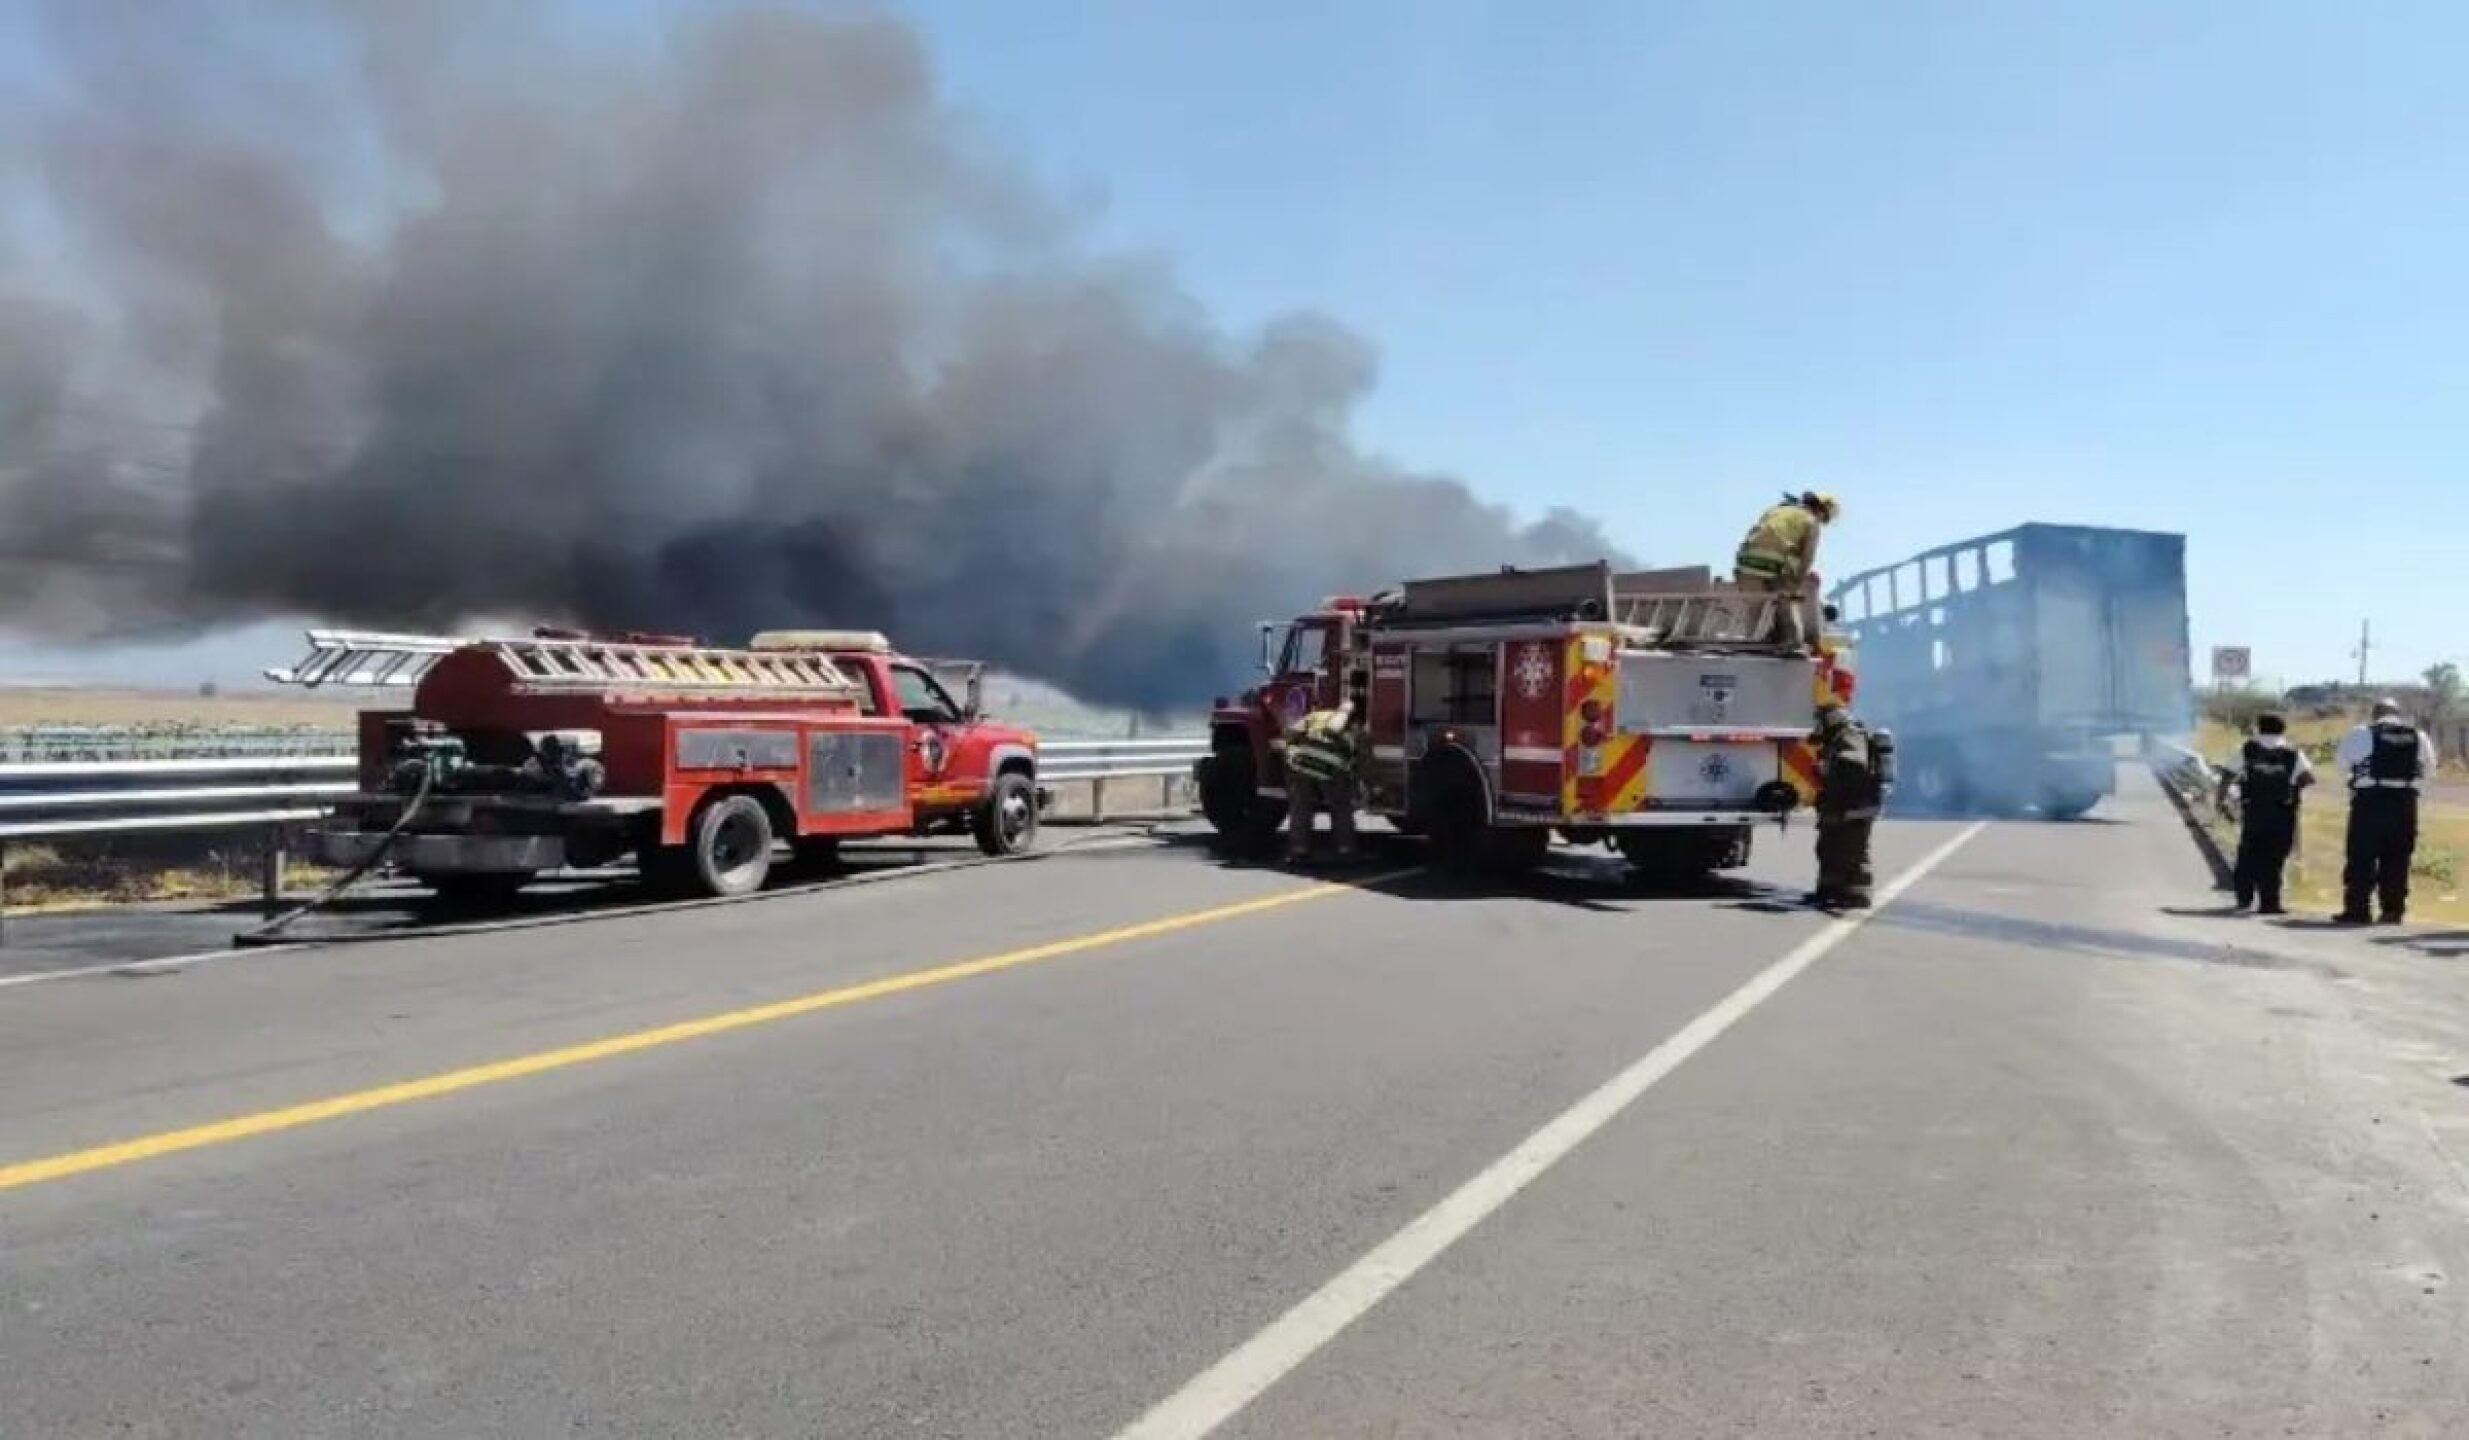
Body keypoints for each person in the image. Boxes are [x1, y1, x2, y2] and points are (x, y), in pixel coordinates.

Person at [2332, 698, 2438, 924]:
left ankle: (2358, 909)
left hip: (2369, 800)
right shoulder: (2418, 736)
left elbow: (2342, 765)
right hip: (2404, 802)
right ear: (2398, 714)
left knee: (2361, 856)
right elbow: (2429, 770)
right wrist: (2412, 790)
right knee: (2398, 857)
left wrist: (2353, 786)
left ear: (2375, 714)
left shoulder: (2360, 733)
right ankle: (2393, 910)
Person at [2225, 712, 2313, 915]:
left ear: (2259, 727)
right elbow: (2308, 778)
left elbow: (2228, 773)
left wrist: (2222, 799)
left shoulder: (2247, 749)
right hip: (2283, 812)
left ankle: (2244, 897)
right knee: (2275, 858)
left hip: (2254, 809)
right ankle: (2270, 902)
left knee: (2249, 853)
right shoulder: (2292, 752)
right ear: (2283, 729)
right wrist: (2291, 786)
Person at [1733, 490, 1840, 649]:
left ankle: (1755, 642)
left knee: (1755, 606)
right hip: (1776, 563)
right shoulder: (1810, 521)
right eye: (1824, 519)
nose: (1821, 521)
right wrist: (1795, 583)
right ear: (1821, 510)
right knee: (1786, 603)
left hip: (1746, 562)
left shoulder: (1776, 509)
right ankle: (1791, 643)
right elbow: (1807, 557)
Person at [1809, 702, 1881, 909]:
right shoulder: (1838, 737)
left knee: (1852, 850)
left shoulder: (1849, 736)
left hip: (1854, 808)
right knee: (1828, 847)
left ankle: (1858, 895)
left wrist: (1830, 773)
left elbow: (1854, 764)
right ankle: (1829, 892)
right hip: (1845, 807)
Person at [1282, 686, 1362, 865]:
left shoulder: (1316, 716)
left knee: (1300, 809)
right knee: (1340, 809)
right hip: (1331, 769)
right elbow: (1361, 756)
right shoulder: (1355, 726)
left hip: (1303, 766)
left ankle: (1298, 851)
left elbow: (1291, 732)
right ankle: (1345, 850)